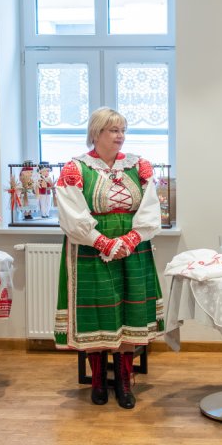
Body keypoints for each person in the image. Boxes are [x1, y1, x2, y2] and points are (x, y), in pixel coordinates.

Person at [55, 107, 163, 410]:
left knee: (131, 312)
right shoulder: (75, 168)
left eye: (122, 130)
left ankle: (125, 381)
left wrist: (129, 239)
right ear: (96, 133)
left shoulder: (138, 166)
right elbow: (71, 212)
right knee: (98, 312)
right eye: (113, 130)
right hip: (90, 250)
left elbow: (151, 207)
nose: (120, 136)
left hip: (133, 249)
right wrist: (101, 241)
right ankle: (99, 379)